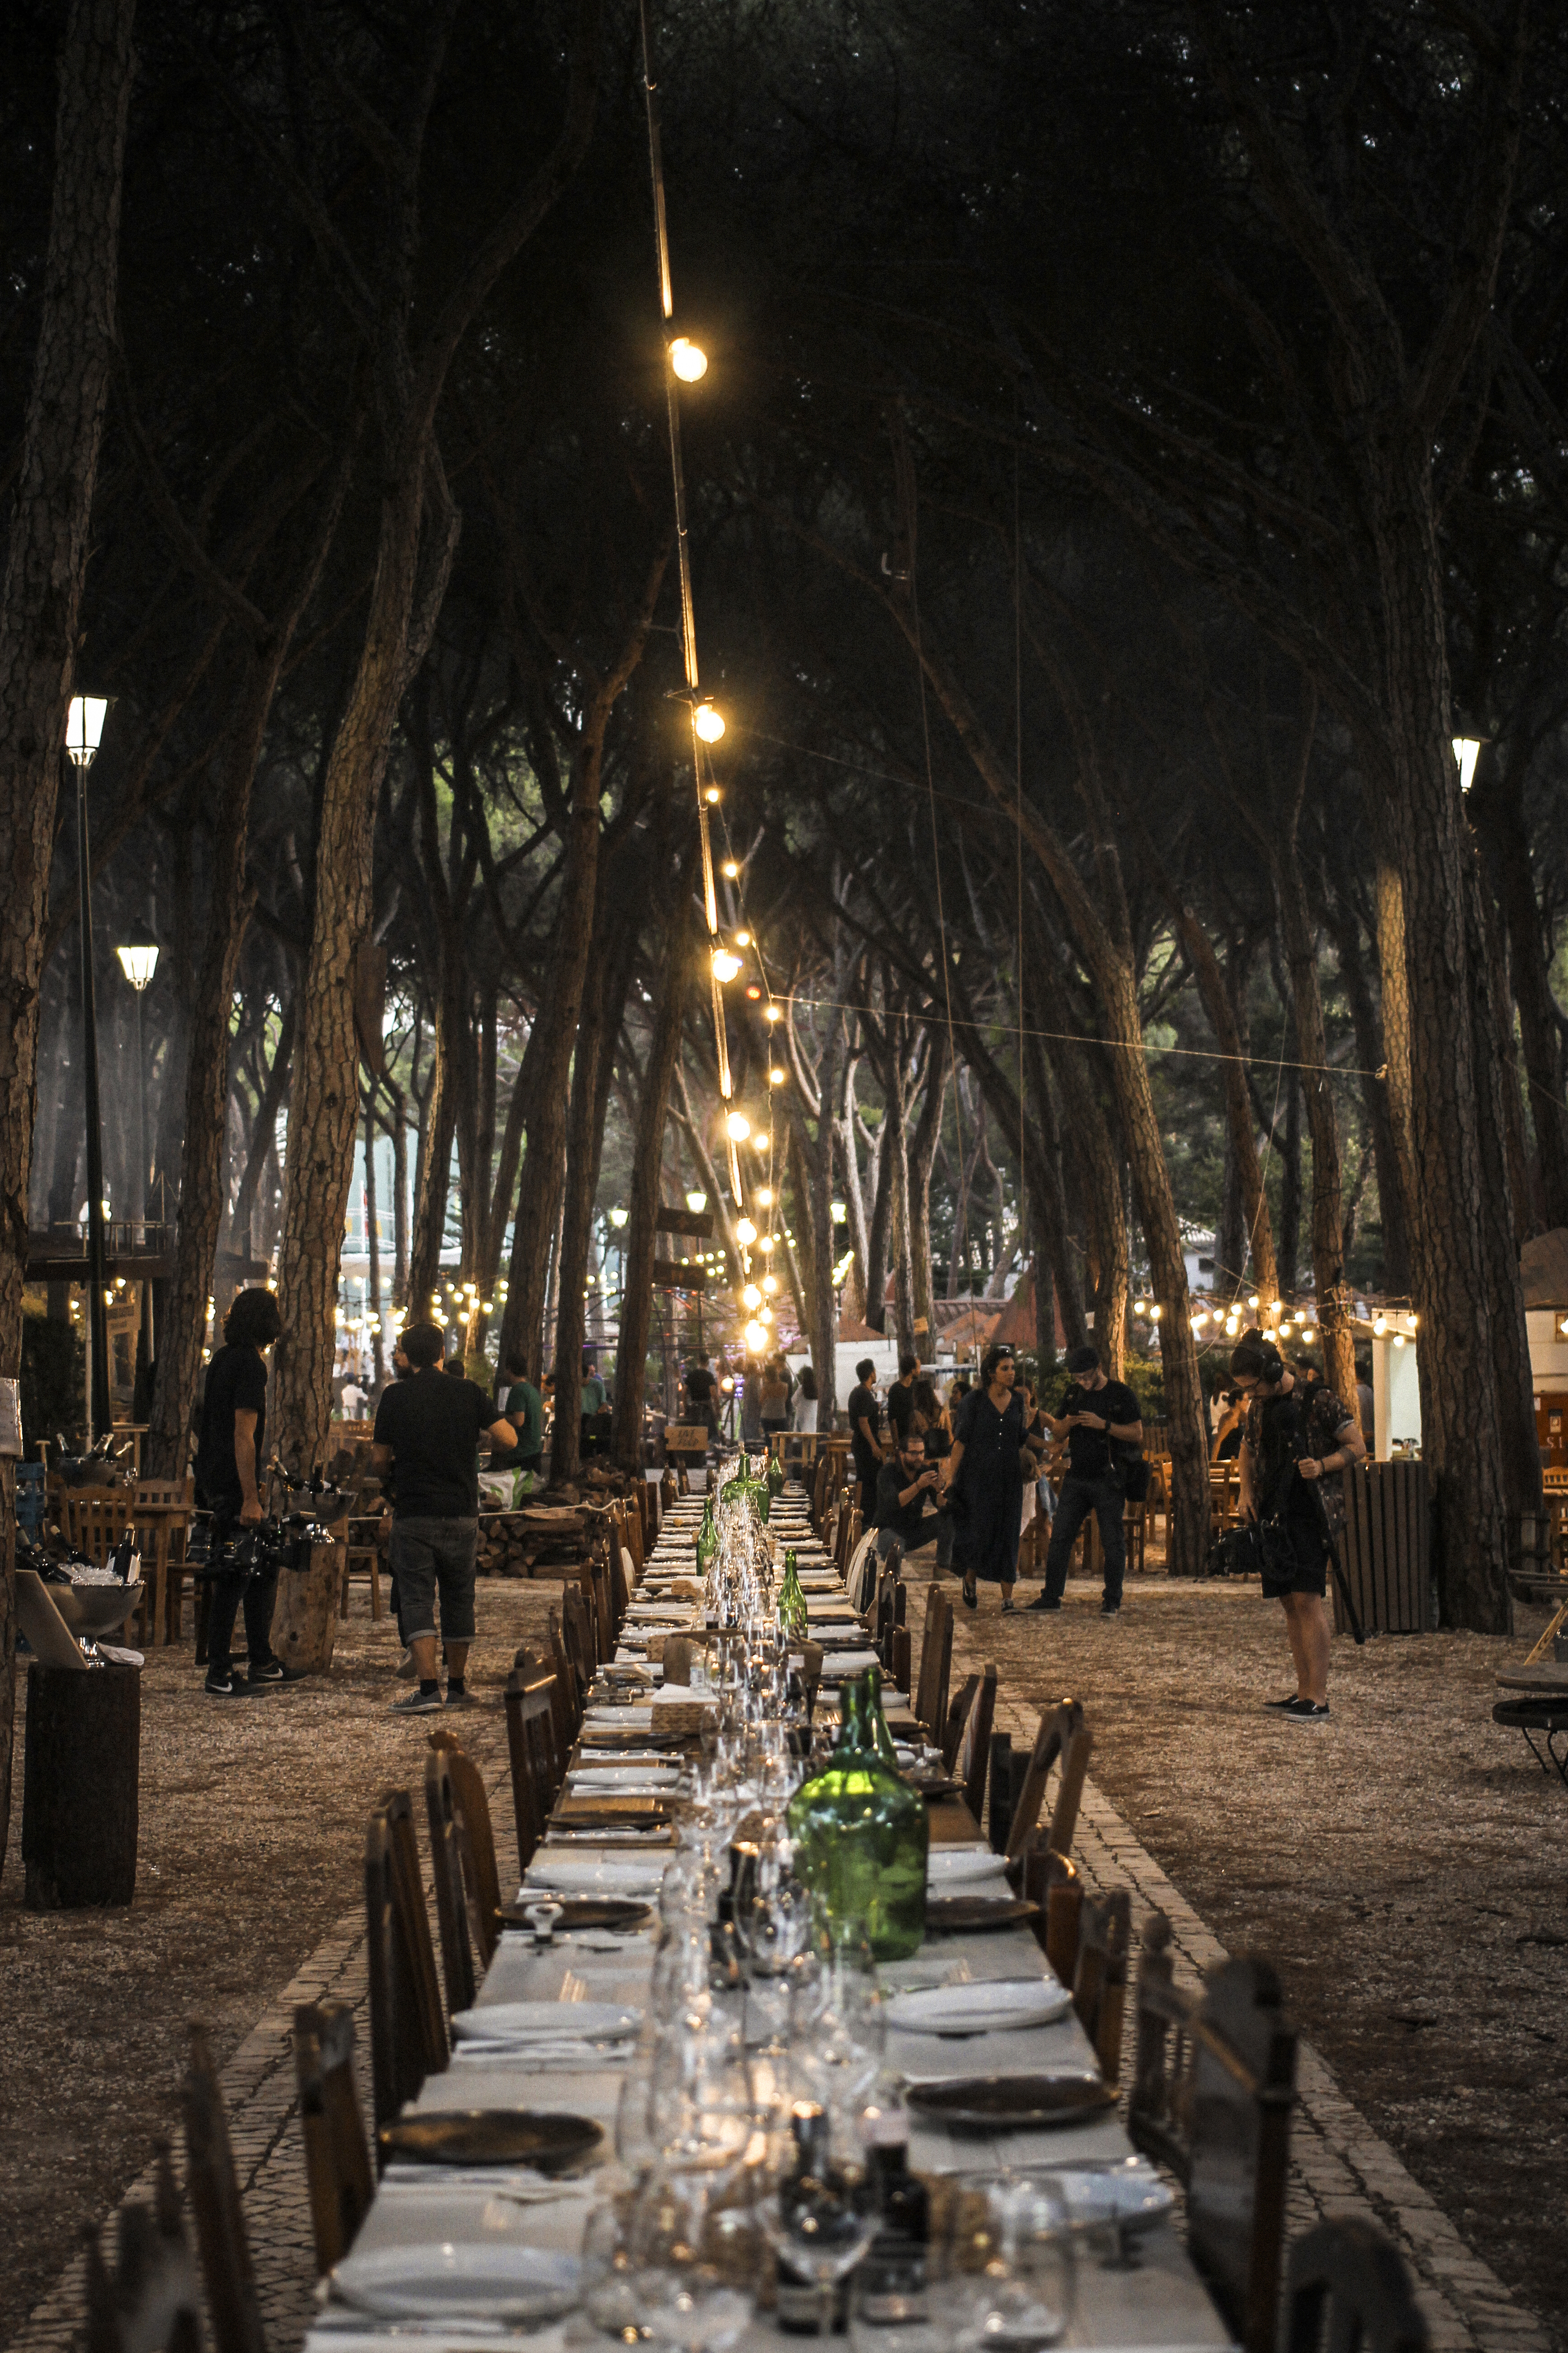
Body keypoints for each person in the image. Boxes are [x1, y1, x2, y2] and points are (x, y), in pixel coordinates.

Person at [371, 1319, 518, 1713]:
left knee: (417, 1596)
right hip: (460, 1509)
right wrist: (473, 1438)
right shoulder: (467, 1392)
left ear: (408, 1354)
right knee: (459, 1597)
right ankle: (457, 1686)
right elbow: (509, 1438)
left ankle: (427, 1689)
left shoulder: (394, 1397)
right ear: (441, 1353)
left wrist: (390, 1478)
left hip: (414, 1509)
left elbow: (379, 1458)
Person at [1230, 1330, 1365, 1722]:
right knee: (1289, 1602)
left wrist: (1322, 1466)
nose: (1251, 1395)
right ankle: (1303, 1689)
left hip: (1311, 1512)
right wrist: (1245, 1491)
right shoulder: (1260, 1405)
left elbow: (1357, 1447)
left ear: (1272, 1371)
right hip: (1274, 1513)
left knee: (1307, 1599)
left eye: (1252, 1386)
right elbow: (1247, 1448)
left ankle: (1318, 1698)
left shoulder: (1318, 1398)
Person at [194, 1288, 296, 1698]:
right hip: (233, 1481)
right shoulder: (252, 1366)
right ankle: (220, 1671)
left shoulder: (221, 1359)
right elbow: (244, 1431)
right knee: (234, 1573)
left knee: (262, 1566)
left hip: (215, 1475)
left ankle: (262, 1659)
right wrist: (250, 1495)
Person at [1032, 1343, 1143, 1617]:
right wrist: (1067, 1423)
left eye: (1086, 1377)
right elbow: (1057, 1433)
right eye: (1078, 1378)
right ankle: (1051, 1596)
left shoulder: (1120, 1394)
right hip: (1077, 1475)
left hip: (1108, 1477)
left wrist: (1103, 1424)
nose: (1082, 1382)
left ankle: (1112, 1599)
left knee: (1112, 1539)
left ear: (1098, 1369)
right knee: (1060, 1536)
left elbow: (1137, 1433)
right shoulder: (1073, 1394)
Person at [941, 1342, 1035, 1612]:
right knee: (980, 1533)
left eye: (1013, 1368)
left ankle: (1008, 1599)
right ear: (992, 1373)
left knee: (1008, 1535)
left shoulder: (1017, 1401)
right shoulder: (974, 1401)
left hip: (1009, 1478)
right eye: (1005, 1369)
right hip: (979, 1479)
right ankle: (970, 1579)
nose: (1011, 1373)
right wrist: (950, 1476)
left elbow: (1021, 1437)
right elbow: (961, 1441)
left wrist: (1048, 1445)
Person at [874, 1429, 941, 1560]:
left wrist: (941, 1489)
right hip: (889, 1529)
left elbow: (941, 1505)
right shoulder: (888, 1472)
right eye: (914, 1453)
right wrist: (918, 1486)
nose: (919, 1458)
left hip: (914, 1529)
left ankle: (942, 1566)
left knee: (948, 1518)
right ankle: (892, 1579)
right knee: (895, 1547)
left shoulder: (925, 1472)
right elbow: (895, 1502)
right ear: (902, 1454)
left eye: (922, 1453)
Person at [846, 1357, 885, 1519]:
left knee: (865, 1479)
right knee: (870, 1481)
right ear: (871, 1374)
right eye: (874, 1371)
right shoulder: (864, 1394)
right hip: (865, 1444)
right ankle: (867, 1517)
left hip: (860, 1442)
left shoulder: (858, 1392)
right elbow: (863, 1422)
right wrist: (874, 1445)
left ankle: (865, 1515)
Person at [500, 1351, 544, 1484]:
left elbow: (519, 1421)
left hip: (521, 1454)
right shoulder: (533, 1391)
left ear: (509, 1369)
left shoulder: (518, 1391)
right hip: (535, 1451)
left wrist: (502, 1417)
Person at [886, 1354, 920, 1448]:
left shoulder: (916, 1387)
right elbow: (892, 1418)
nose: (920, 1371)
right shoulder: (896, 1390)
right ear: (912, 1371)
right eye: (918, 1368)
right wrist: (896, 1444)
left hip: (917, 1438)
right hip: (903, 1438)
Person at [759, 1352, 792, 1443]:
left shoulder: (766, 1387)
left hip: (767, 1416)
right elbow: (785, 1399)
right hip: (781, 1415)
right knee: (781, 1441)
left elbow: (761, 1400)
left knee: (769, 1441)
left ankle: (770, 1456)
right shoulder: (784, 1386)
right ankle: (781, 1456)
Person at [685, 1355, 718, 1441]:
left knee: (694, 1436)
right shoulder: (709, 1376)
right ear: (707, 1363)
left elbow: (684, 1393)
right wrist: (718, 1410)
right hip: (706, 1409)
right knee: (710, 1436)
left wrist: (686, 1409)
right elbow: (714, 1394)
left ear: (698, 1361)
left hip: (693, 1409)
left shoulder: (691, 1375)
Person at [1212, 1388, 1245, 1463]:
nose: (1247, 1403)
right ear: (1238, 1402)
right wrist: (1214, 1464)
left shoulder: (1241, 1416)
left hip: (1237, 1459)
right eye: (1245, 1400)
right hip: (1227, 1459)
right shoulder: (1229, 1418)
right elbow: (1218, 1441)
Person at [793, 1363, 819, 1434]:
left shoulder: (802, 1389)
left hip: (801, 1418)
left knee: (800, 1438)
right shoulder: (816, 1389)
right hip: (812, 1419)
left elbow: (794, 1401)